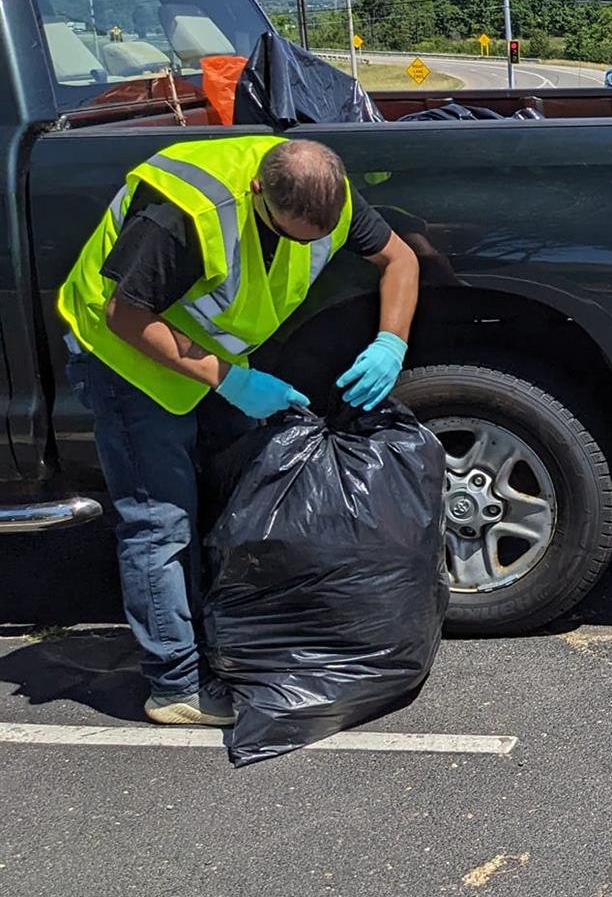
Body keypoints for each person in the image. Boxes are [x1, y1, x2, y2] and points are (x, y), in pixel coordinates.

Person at [56, 136, 421, 726]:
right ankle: (175, 685)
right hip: (126, 359)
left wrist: (391, 342)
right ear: (258, 193)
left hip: (209, 355)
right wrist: (230, 380)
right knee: (159, 518)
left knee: (231, 494)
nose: (305, 246)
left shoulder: (325, 194)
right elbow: (125, 315)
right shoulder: (186, 215)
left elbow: (399, 260)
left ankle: (225, 637)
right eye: (291, 234)